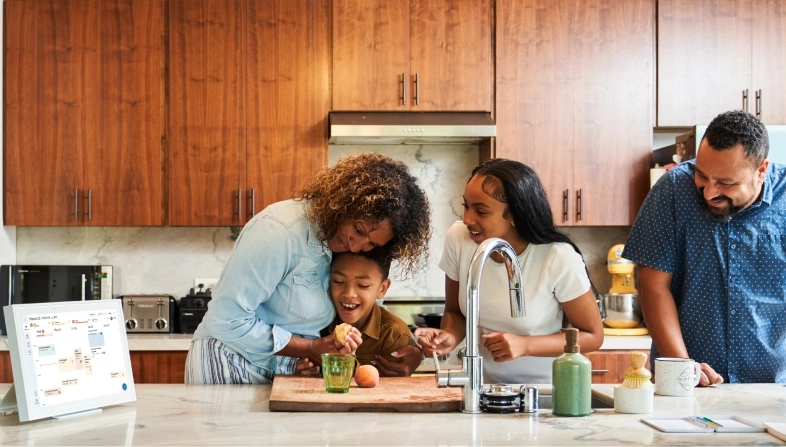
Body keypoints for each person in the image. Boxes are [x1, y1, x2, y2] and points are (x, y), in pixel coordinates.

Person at [185, 153, 431, 384]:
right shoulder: (279, 230)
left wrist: (411, 347)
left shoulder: (338, 241)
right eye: (357, 230)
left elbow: (366, 299)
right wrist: (311, 348)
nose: (357, 245)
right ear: (345, 203)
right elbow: (226, 320)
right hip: (230, 366)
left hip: (281, 373)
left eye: (372, 244)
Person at [623, 110, 786, 385]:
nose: (709, 192)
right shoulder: (673, 190)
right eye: (702, 174)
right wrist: (683, 367)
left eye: (725, 182)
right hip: (685, 383)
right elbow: (653, 286)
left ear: (761, 170)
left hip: (774, 388)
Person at [415, 159, 604, 384]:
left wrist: (525, 345)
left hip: (545, 391)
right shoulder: (459, 239)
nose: (467, 219)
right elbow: (456, 313)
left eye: (481, 211)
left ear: (515, 213)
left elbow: (593, 336)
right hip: (484, 387)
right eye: (466, 206)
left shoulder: (557, 257)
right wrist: (448, 337)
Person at [295, 249, 417, 376]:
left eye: (363, 285)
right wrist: (306, 376)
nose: (349, 294)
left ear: (382, 288)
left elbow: (391, 392)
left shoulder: (393, 334)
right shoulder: (314, 322)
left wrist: (349, 366)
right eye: (338, 281)